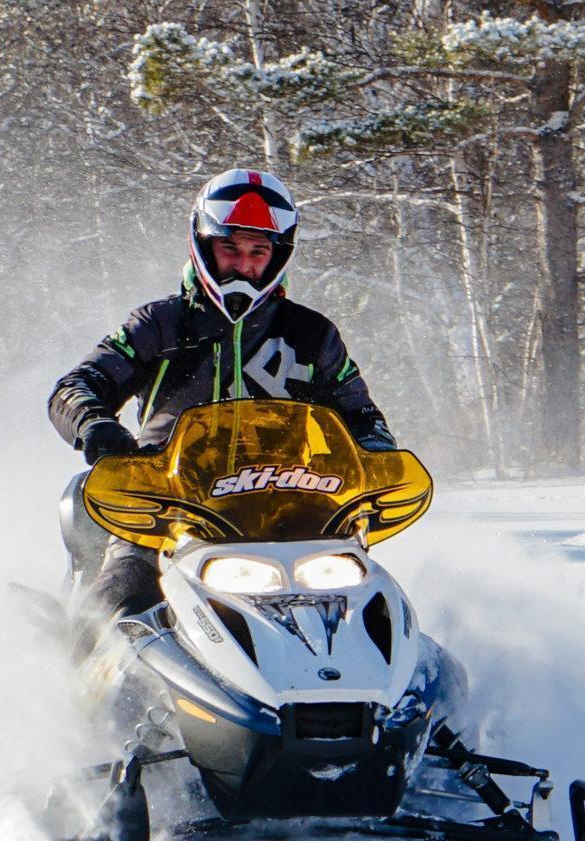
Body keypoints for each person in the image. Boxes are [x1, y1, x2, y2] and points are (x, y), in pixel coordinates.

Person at [49, 168, 395, 652]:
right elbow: (78, 384)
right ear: (203, 244)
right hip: (164, 508)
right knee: (117, 604)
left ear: (279, 256)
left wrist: (376, 453)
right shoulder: (160, 324)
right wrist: (96, 422)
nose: (243, 266)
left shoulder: (311, 335)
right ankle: (79, 707)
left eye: (258, 253)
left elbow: (361, 414)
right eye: (230, 249)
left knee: (372, 604)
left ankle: (410, 702)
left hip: (293, 510)